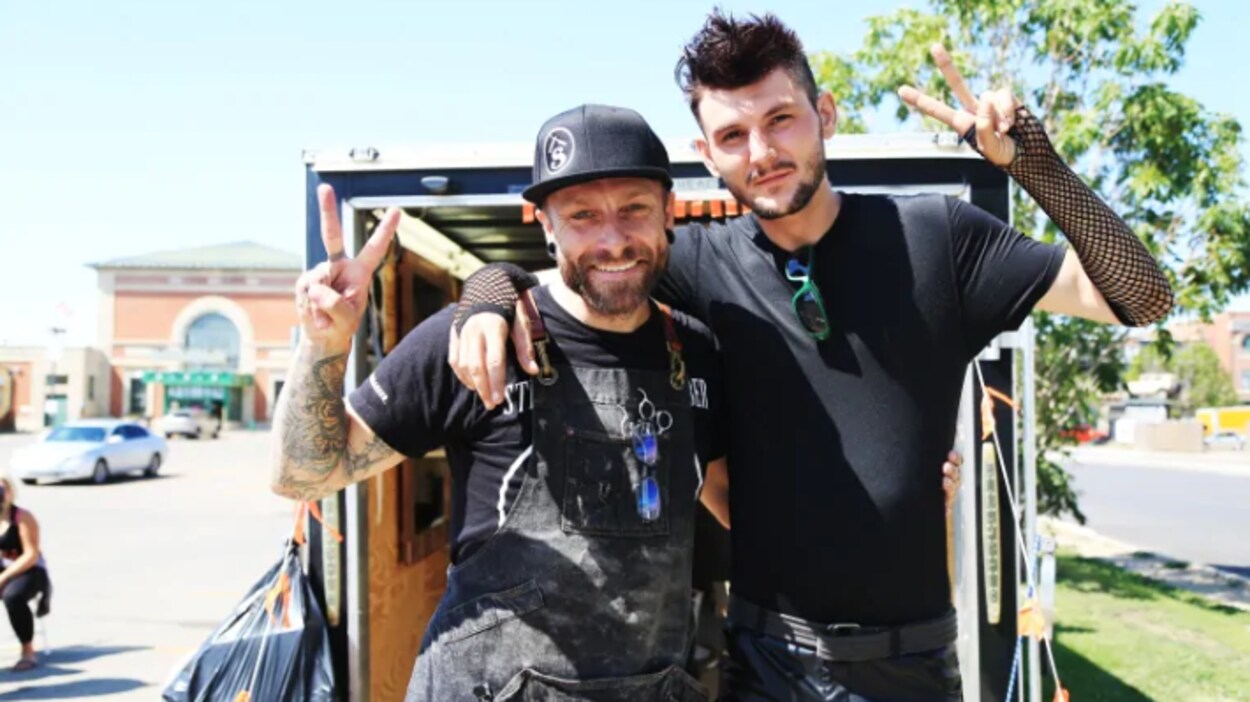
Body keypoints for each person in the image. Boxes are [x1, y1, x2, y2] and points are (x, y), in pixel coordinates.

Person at [448, 11, 1173, 701]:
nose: (760, 154)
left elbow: (1142, 297)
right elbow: (574, 273)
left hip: (915, 665)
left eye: (780, 119)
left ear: (824, 115)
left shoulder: (938, 238)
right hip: (767, 663)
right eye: (733, 134)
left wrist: (1034, 162)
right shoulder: (694, 266)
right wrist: (484, 293)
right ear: (708, 155)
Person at [272, 104, 730, 701]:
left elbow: (736, 507)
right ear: (545, 225)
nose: (612, 239)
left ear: (668, 211)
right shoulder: (468, 341)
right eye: (582, 215)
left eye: (634, 209)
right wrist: (324, 346)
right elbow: (302, 475)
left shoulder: (695, 352)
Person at [0, 475, 51, 672]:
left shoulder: (22, 517)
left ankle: (27, 650)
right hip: (4, 570)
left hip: (29, 570)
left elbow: (31, 554)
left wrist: (4, 577)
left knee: (12, 596)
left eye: (3, 489)